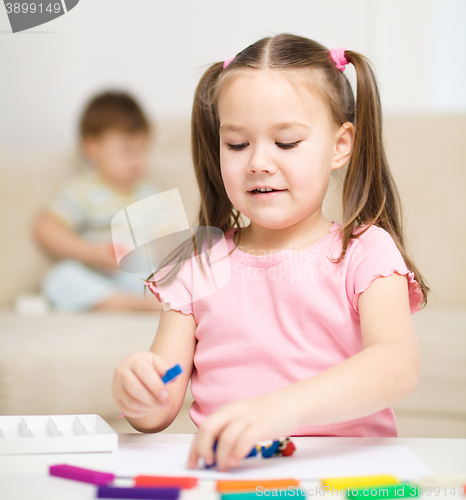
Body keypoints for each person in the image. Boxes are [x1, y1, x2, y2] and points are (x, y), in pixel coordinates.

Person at [112, 34, 430, 470]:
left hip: (347, 475)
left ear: (340, 145)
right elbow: (157, 409)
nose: (258, 162)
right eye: (237, 144)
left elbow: (396, 365)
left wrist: (279, 411)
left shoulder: (366, 252)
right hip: (232, 476)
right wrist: (140, 392)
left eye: (286, 143)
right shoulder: (197, 263)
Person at [33, 91, 162, 312]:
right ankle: (128, 304)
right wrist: (92, 253)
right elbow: (45, 228)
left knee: (172, 271)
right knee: (60, 277)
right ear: (93, 147)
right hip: (98, 274)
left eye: (142, 150)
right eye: (127, 151)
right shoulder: (82, 191)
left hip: (139, 274)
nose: (137, 161)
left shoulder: (149, 193)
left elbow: (165, 238)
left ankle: (146, 299)